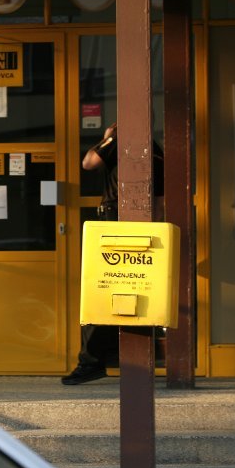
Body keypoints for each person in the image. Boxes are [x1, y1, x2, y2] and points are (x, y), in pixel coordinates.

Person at [62, 122, 164, 385]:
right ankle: (137, 361)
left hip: (113, 223)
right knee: (136, 291)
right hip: (146, 227)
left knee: (100, 290)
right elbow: (161, 200)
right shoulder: (156, 151)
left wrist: (106, 138)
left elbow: (88, 162)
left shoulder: (119, 142)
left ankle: (92, 362)